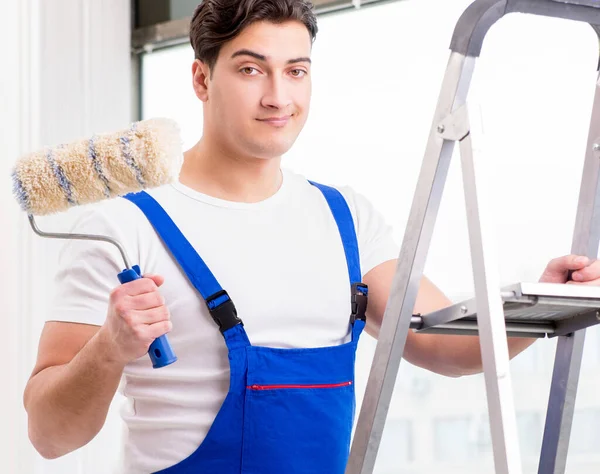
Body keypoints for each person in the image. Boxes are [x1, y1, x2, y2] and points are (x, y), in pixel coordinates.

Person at [22, 0, 600, 473]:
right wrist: (110, 348)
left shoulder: (345, 216)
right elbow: (49, 434)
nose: (279, 96)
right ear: (201, 78)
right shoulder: (123, 229)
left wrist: (541, 300)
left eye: (295, 70)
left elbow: (447, 345)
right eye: (251, 69)